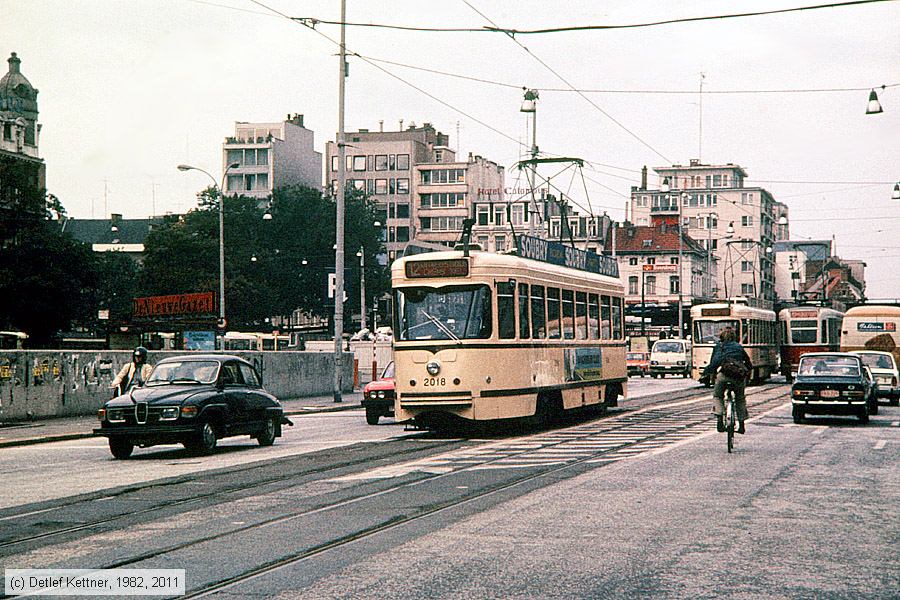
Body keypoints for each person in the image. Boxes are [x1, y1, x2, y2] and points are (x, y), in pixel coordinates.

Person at [702, 327, 753, 434]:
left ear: (721, 337)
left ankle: (720, 420)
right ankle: (742, 425)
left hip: (723, 376)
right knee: (740, 399)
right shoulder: (739, 347)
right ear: (734, 337)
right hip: (738, 377)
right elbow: (748, 363)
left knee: (718, 396)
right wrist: (747, 373)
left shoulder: (719, 347)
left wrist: (706, 373)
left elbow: (714, 363)